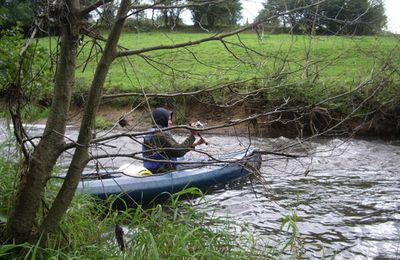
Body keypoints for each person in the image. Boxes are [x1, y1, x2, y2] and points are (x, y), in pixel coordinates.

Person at [142, 107, 207, 173]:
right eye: (169, 119)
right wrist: (193, 134)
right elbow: (179, 152)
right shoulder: (160, 135)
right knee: (204, 164)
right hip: (162, 170)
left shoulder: (153, 132)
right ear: (162, 119)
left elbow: (173, 150)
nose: (171, 122)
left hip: (155, 168)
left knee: (195, 160)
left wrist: (196, 143)